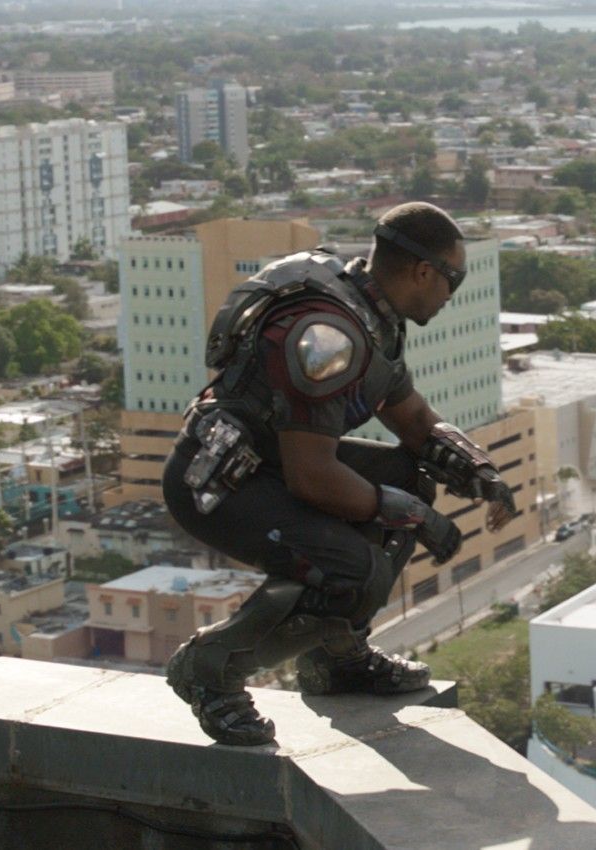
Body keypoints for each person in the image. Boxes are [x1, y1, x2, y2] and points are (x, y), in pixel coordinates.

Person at [160, 202, 518, 746]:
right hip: (217, 484)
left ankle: (338, 660)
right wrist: (417, 516)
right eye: (453, 279)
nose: (451, 295)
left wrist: (480, 471)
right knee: (352, 567)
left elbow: (415, 421)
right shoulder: (328, 337)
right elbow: (312, 478)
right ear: (424, 272)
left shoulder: (367, 313)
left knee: (409, 471)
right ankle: (211, 670)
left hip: (265, 462)